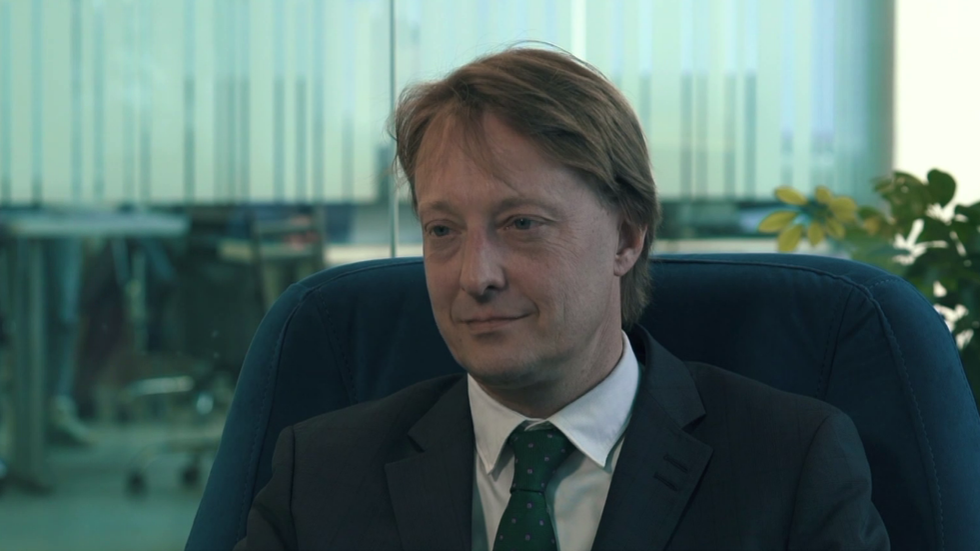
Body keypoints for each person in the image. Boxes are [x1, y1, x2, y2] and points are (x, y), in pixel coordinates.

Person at [234, 46, 889, 550]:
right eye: (443, 230)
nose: (475, 276)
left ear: (625, 237)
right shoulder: (320, 473)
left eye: (522, 223)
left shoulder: (791, 463)